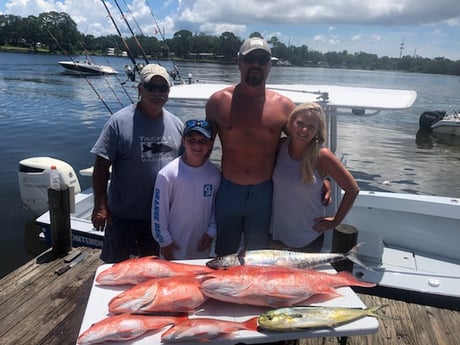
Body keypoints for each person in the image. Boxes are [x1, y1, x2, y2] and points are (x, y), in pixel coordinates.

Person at [206, 37, 330, 256]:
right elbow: (202, 146)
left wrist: (324, 178)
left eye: (262, 60)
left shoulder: (284, 106)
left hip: (264, 193)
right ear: (239, 63)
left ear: (269, 65)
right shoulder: (218, 102)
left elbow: (303, 143)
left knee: (258, 253)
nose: (256, 65)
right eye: (250, 59)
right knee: (225, 250)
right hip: (228, 189)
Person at [90, 63, 184, 263]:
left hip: (158, 218)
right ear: (140, 89)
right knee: (114, 267)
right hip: (123, 216)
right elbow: (100, 166)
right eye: (151, 87)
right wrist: (100, 206)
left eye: (163, 88)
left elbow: (186, 168)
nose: (157, 93)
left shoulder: (177, 125)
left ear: (169, 91)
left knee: (151, 271)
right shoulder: (118, 122)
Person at [270, 102, 360, 252]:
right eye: (300, 123)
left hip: (307, 237)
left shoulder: (322, 156)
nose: (304, 129)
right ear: (291, 122)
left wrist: (336, 220)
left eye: (311, 127)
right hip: (276, 233)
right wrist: (326, 181)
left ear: (318, 130)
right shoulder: (280, 146)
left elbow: (353, 189)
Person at [152, 119, 220, 260]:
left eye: (203, 141)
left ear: (210, 143)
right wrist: (164, 241)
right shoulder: (168, 174)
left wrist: (211, 231)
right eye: (192, 140)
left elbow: (216, 207)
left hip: (201, 246)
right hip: (173, 246)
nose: (197, 145)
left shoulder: (215, 174)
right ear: (183, 142)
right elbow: (158, 212)